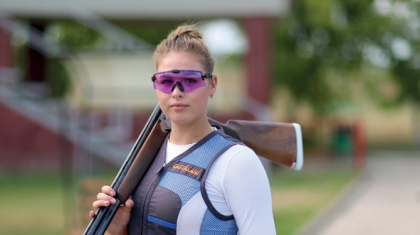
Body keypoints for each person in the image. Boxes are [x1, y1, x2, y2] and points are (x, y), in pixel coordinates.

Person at [90, 23, 276, 235]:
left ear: (212, 84)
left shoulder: (238, 162)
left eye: (189, 80)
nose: (177, 92)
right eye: (166, 81)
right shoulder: (145, 155)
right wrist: (119, 229)